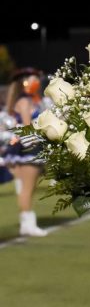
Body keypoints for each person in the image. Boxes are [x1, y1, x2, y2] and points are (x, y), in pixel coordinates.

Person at [3, 68, 47, 236]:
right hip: (28, 148)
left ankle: (26, 223)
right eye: (33, 79)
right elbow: (28, 127)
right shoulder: (25, 101)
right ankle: (28, 224)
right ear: (25, 82)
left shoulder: (25, 100)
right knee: (27, 189)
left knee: (26, 188)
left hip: (22, 148)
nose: (37, 82)